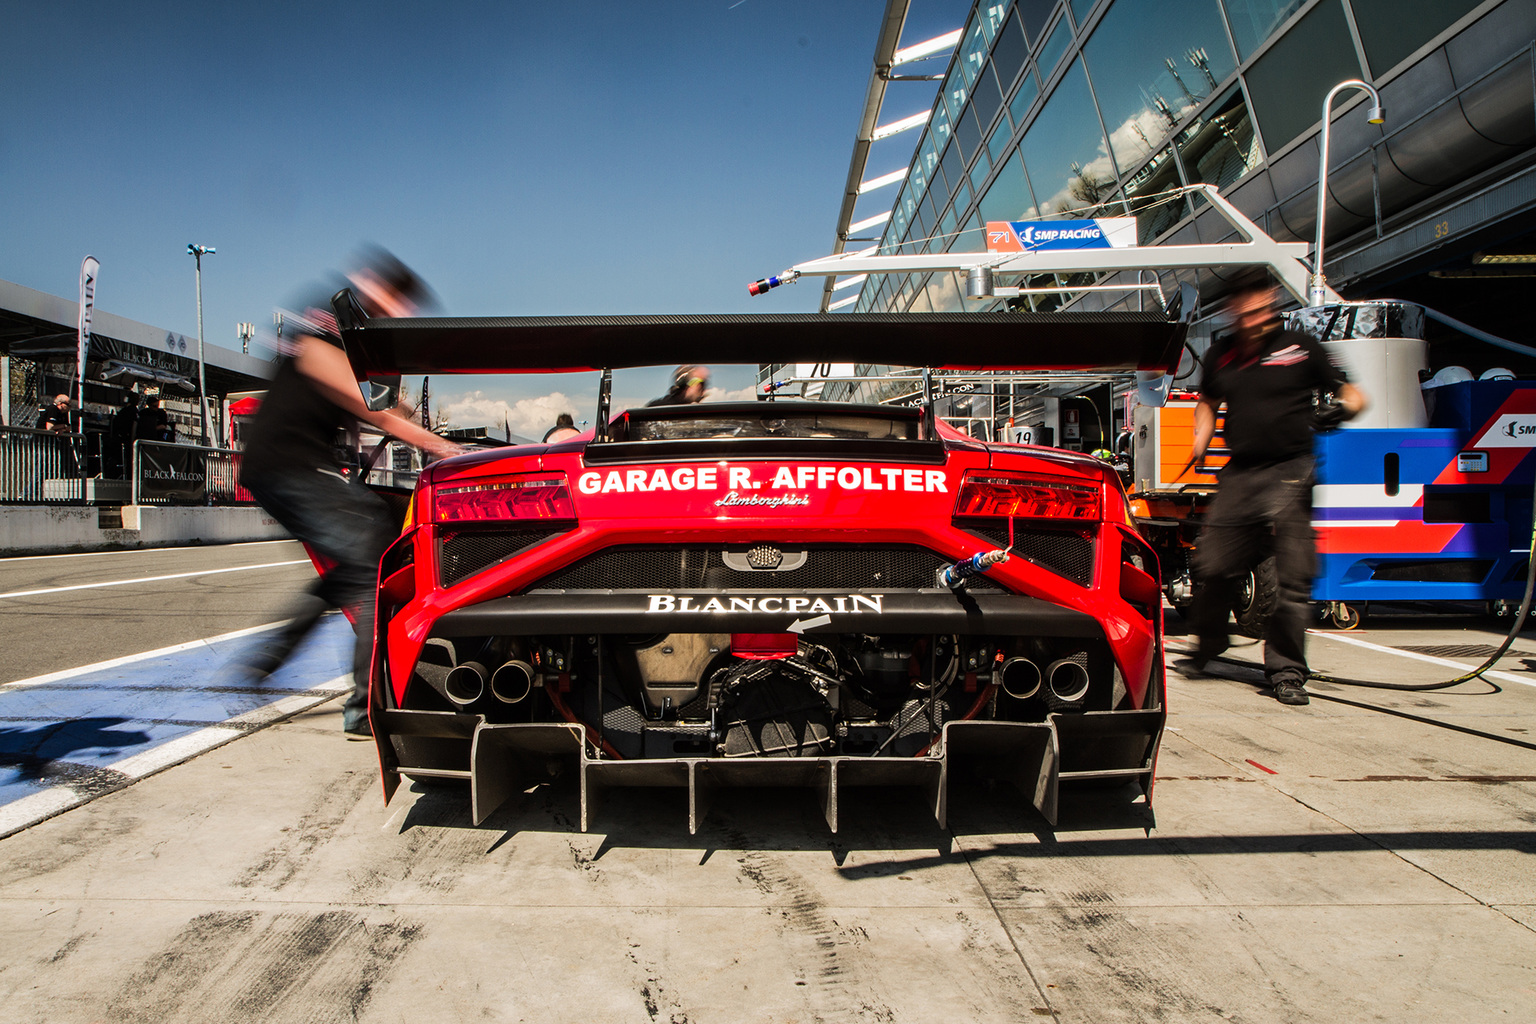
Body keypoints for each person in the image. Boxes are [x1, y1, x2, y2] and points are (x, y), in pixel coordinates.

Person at [236, 250, 462, 736]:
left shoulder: (352, 340)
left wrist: (413, 415)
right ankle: (365, 711)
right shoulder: (322, 326)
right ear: (372, 287)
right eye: (397, 303)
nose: (400, 316)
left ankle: (272, 655)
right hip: (286, 465)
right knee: (376, 563)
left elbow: (386, 402)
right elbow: (370, 407)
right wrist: (444, 447)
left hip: (297, 463)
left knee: (369, 551)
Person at [1184, 281, 1367, 706]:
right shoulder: (1221, 354)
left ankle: (1286, 671)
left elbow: (1352, 392)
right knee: (1211, 566)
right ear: (1234, 314)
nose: (1260, 320)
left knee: (1292, 579)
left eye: (1266, 311)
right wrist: (1200, 441)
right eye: (1250, 314)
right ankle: (1209, 643)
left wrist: (1344, 408)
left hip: (1292, 470)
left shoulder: (1301, 347)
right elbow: (1208, 401)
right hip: (1242, 474)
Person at [36, 394, 79, 475]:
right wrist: (62, 426)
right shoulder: (53, 409)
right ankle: (33, 488)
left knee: (50, 469)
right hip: (41, 443)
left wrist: (62, 429)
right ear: (60, 403)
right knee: (41, 470)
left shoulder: (63, 413)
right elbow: (49, 427)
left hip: (51, 444)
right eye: (67, 404)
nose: (69, 407)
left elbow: (68, 427)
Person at [106, 392, 139, 478]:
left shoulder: (126, 411)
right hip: (126, 440)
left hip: (122, 440)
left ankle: (112, 473)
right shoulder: (134, 411)